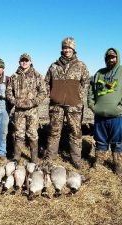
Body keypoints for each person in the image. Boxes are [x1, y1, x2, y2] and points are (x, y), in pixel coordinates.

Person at [87, 48, 122, 175]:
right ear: (105, 59)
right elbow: (91, 91)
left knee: (117, 141)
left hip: (119, 116)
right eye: (109, 57)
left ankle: (117, 165)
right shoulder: (99, 73)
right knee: (100, 140)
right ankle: (98, 163)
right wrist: (92, 105)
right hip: (100, 116)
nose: (111, 60)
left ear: (117, 58)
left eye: (113, 57)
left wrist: (121, 106)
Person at [44, 37, 89, 169]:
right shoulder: (54, 66)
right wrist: (52, 94)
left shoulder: (80, 65)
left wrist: (77, 96)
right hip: (56, 105)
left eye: (69, 48)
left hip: (74, 105)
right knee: (53, 131)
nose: (67, 50)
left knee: (75, 132)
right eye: (65, 48)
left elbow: (86, 82)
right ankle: (50, 158)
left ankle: (76, 159)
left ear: (73, 49)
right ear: (62, 49)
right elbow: (46, 82)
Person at [6, 53, 46, 163]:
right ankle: (17, 157)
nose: (24, 62)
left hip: (32, 111)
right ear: (19, 62)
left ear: (30, 62)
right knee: (18, 133)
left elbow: (43, 92)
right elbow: (8, 92)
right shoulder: (14, 76)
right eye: (22, 60)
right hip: (19, 111)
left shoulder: (37, 75)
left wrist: (34, 102)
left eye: (26, 60)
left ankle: (34, 158)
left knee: (33, 133)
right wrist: (15, 102)